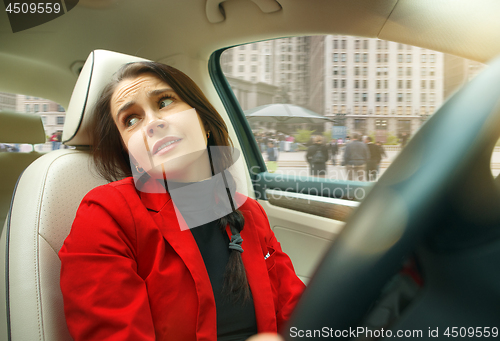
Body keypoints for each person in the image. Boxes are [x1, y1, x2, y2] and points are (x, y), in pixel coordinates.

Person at [58, 62, 305, 341]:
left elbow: (298, 312)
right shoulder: (106, 214)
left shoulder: (249, 211)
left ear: (203, 120)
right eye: (131, 120)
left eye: (164, 102)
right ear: (130, 152)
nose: (152, 123)